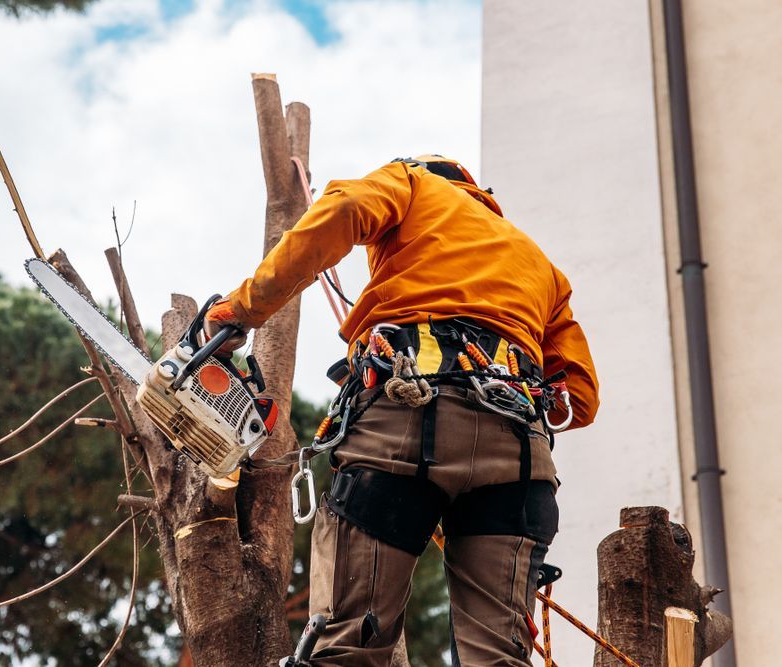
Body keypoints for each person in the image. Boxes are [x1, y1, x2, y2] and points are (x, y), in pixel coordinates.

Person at [204, 155, 600, 666]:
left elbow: (344, 208)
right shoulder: (539, 263)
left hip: (403, 426)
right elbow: (580, 399)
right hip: (519, 456)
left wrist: (241, 309)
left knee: (350, 646)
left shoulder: (411, 183)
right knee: (500, 658)